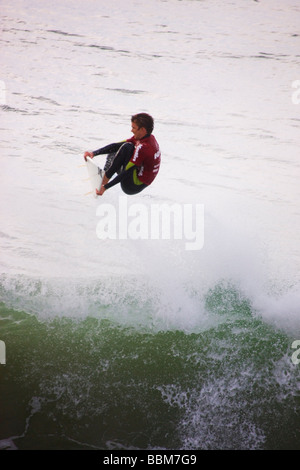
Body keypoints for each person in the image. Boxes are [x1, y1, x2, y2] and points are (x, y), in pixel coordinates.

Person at [84, 113, 161, 196]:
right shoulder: (147, 138)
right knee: (117, 149)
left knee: (127, 147)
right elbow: (116, 145)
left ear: (142, 130)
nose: (131, 130)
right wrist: (93, 153)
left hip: (132, 186)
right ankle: (106, 173)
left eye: (133, 128)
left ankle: (105, 178)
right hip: (138, 178)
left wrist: (105, 187)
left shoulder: (144, 148)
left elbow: (127, 172)